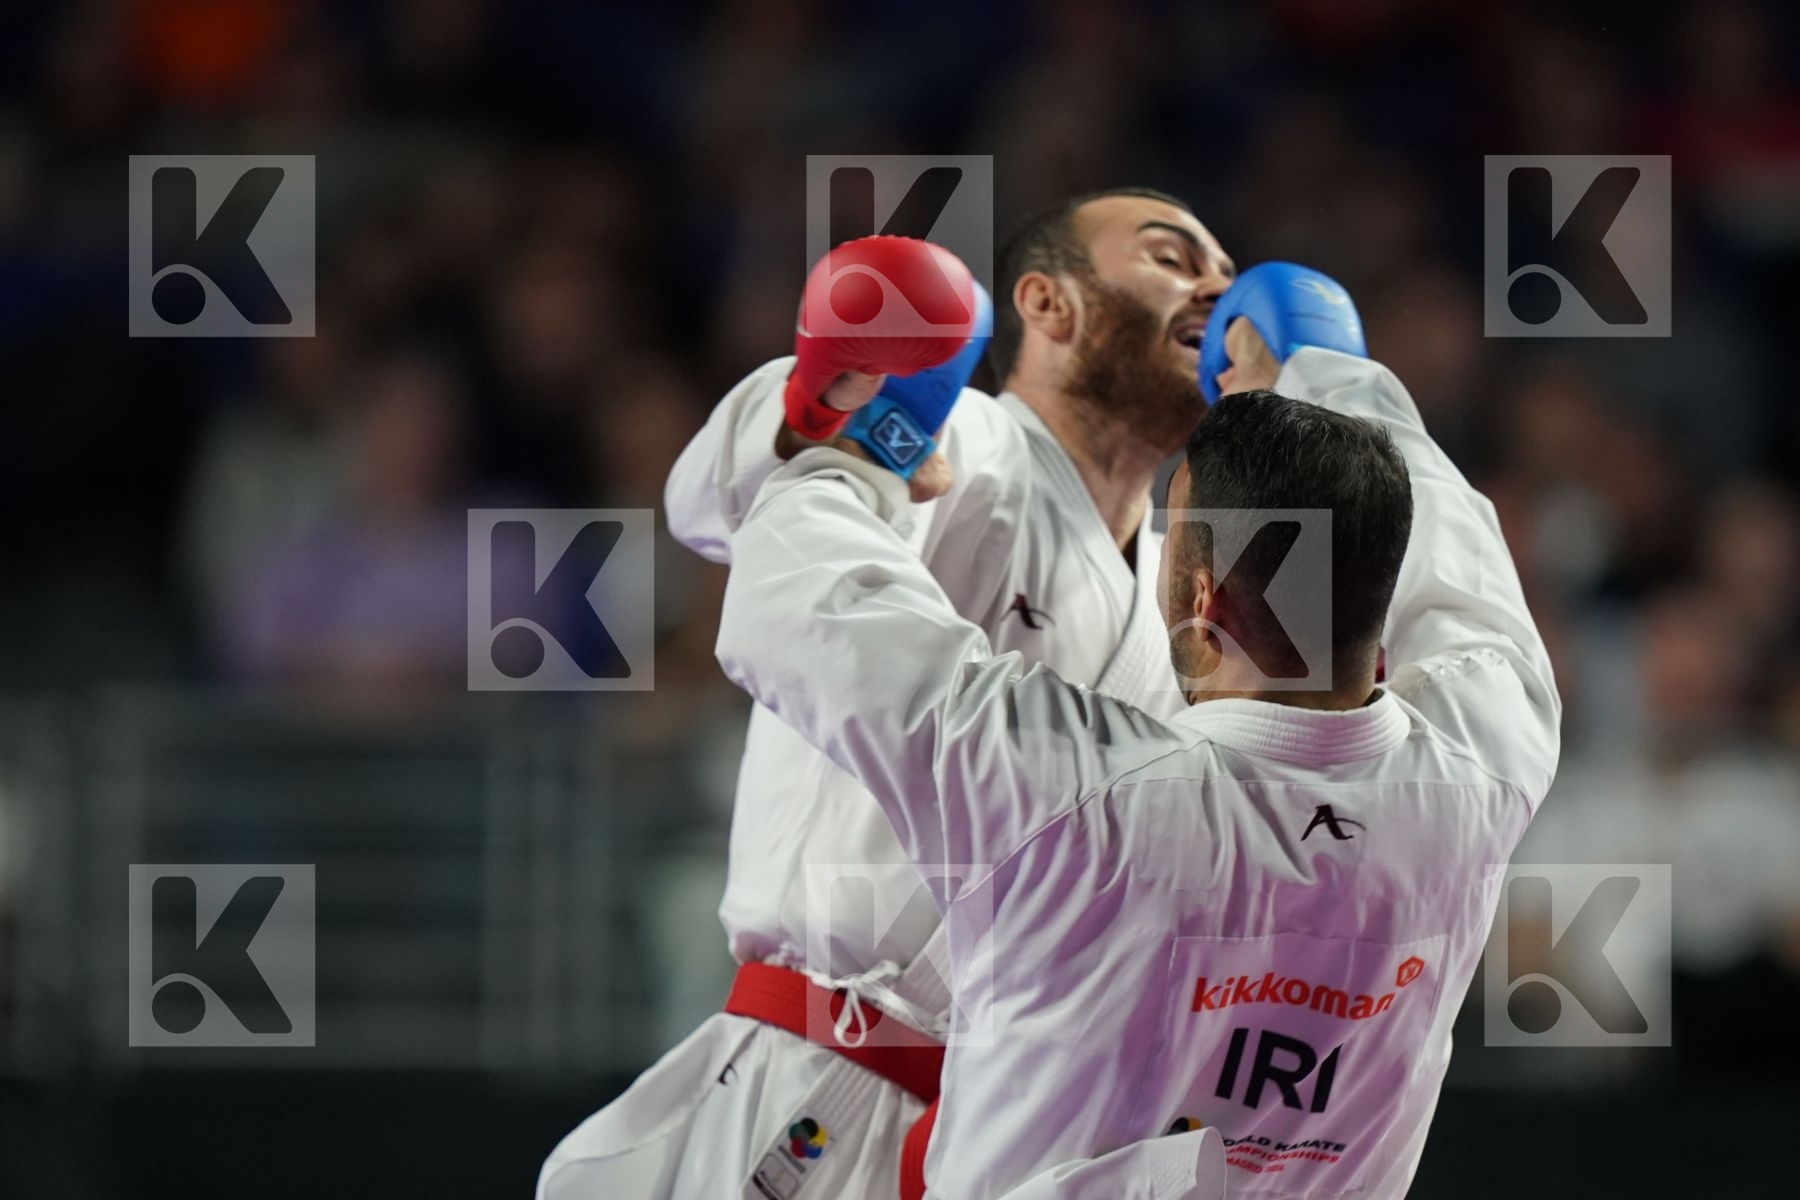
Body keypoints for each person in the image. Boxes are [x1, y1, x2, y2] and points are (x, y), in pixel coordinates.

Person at [709, 262, 1562, 1197]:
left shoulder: (1083, 799)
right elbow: (1468, 586)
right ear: (1382, 608)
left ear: (1200, 603)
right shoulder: (1482, 770)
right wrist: (1331, 374)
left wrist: (865, 436)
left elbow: (802, 612)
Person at [538, 189, 1235, 1199]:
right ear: (1048, 304)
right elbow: (724, 498)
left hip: (1027, 1136)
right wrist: (838, 399)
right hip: (824, 1090)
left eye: (1225, 268)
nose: (1218, 284)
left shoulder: (1194, 604)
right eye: (1174, 257)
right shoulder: (970, 447)